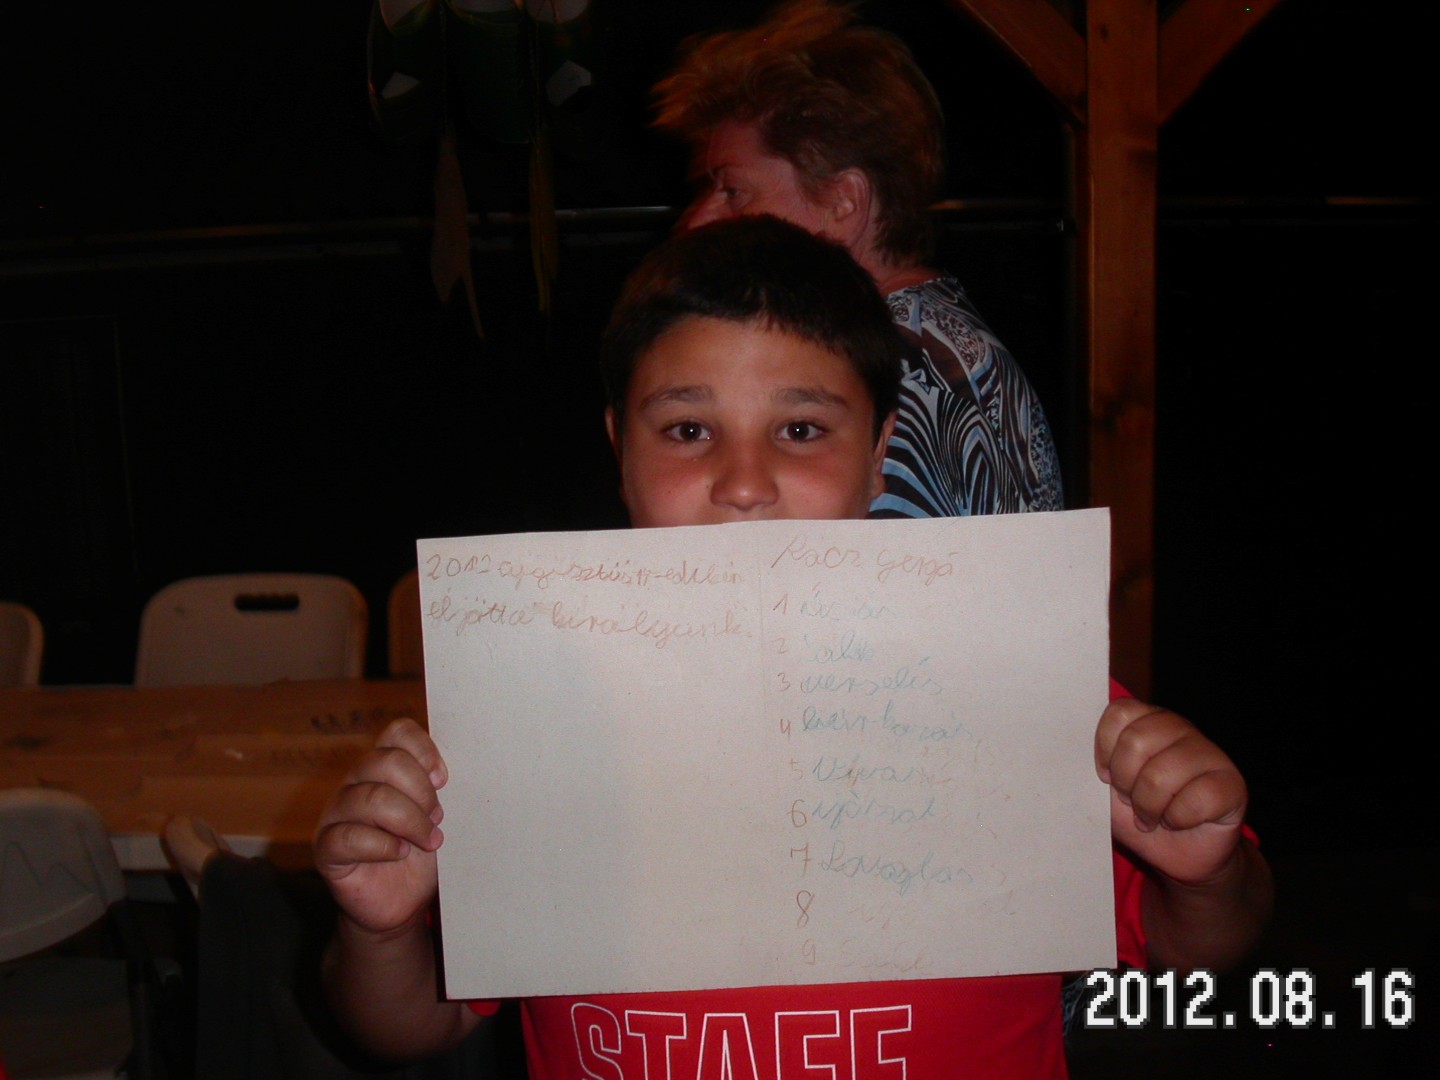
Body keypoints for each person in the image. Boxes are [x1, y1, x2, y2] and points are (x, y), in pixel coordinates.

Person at [314, 216, 1270, 1078]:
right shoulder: (527, 702)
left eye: (801, 429)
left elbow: (1198, 950)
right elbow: (410, 1029)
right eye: (688, 429)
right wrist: (381, 930)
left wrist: (1206, 873)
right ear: (619, 449)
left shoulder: (1013, 674)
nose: (745, 483)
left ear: (880, 451)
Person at [652, 0, 1064, 520]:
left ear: (843, 203)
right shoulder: (935, 341)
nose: (697, 221)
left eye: (733, 191)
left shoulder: (889, 373)